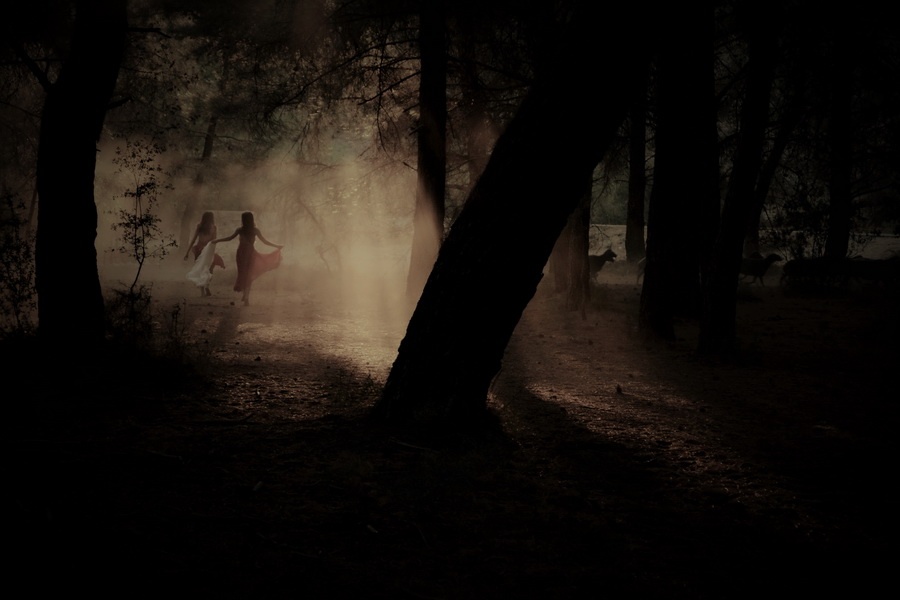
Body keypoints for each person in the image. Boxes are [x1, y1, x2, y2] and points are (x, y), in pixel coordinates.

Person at [211, 211, 283, 306]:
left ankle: (245, 294)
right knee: (249, 274)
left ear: (243, 220)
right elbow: (265, 241)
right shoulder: (255, 230)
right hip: (250, 253)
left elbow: (229, 238)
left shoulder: (240, 230)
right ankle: (246, 296)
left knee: (243, 273)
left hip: (241, 253)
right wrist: (277, 246)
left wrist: (217, 240)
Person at [184, 211, 226, 296]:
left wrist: (187, 252)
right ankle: (207, 285)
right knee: (210, 270)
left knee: (201, 270)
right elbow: (214, 241)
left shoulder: (200, 226)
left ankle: (202, 292)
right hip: (208, 250)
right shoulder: (213, 227)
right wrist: (213, 252)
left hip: (199, 249)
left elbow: (193, 239)